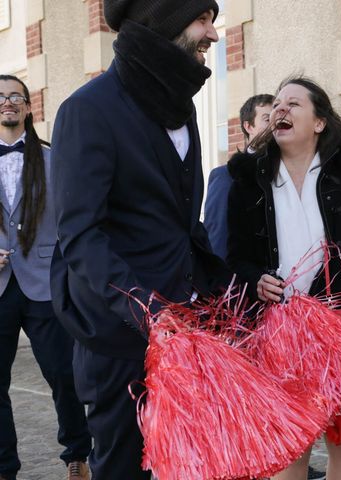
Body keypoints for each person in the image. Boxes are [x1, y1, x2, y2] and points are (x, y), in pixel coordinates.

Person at [49, 1, 233, 479]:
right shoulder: (87, 111)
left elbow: (182, 224)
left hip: (189, 330)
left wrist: (229, 287)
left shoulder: (182, 107)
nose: (213, 34)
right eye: (203, 20)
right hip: (120, 340)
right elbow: (81, 237)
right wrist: (149, 312)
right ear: (165, 23)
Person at [226, 76, 341, 480]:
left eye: (293, 104)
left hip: (339, 329)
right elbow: (234, 257)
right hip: (277, 334)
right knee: (290, 451)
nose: (280, 109)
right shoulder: (246, 179)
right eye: (277, 103)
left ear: (320, 122)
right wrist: (254, 278)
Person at [0, 76, 91, 480]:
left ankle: (77, 454)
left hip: (45, 283)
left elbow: (75, 220)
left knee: (63, 375)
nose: (8, 103)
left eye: (16, 96)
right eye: (0, 98)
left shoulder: (55, 159)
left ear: (29, 108)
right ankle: (4, 466)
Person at [204, 94, 274, 259]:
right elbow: (218, 239)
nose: (274, 125)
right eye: (266, 119)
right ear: (248, 126)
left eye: (276, 118)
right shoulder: (225, 177)